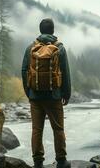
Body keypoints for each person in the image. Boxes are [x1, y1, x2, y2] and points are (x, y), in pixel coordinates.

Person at [21, 18, 71, 168]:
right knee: (58, 128)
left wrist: (28, 92)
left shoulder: (31, 47)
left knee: (37, 129)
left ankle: (38, 162)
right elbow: (66, 73)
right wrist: (66, 94)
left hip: (35, 96)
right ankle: (61, 161)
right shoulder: (59, 48)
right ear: (53, 30)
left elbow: (24, 70)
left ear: (40, 30)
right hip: (54, 96)